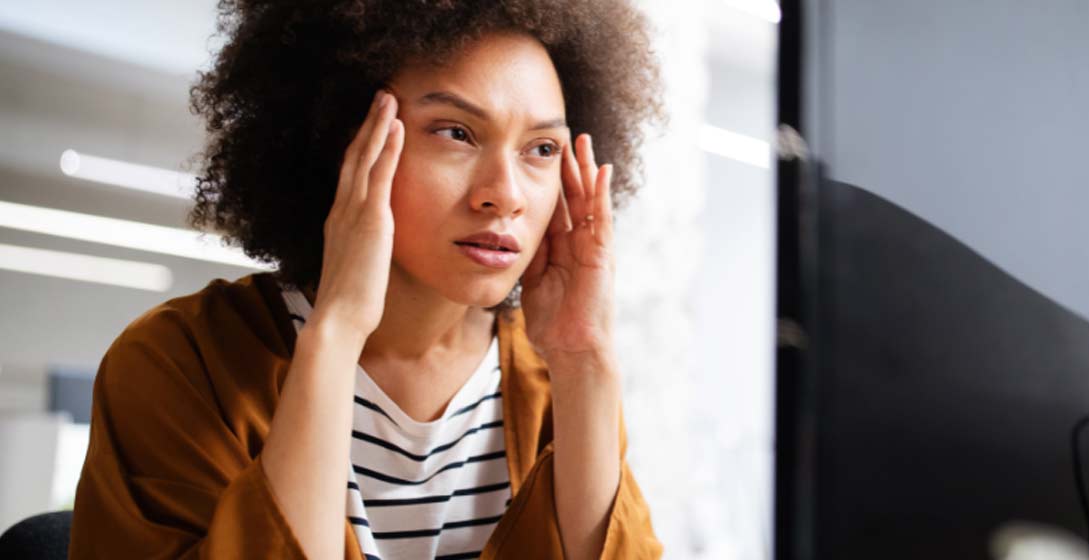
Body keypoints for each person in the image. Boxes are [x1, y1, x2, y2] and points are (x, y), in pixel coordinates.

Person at [68, 1, 665, 558]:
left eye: (540, 149)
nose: (505, 196)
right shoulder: (178, 363)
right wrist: (336, 334)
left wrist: (584, 360)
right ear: (340, 139)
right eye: (455, 133)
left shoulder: (555, 381)